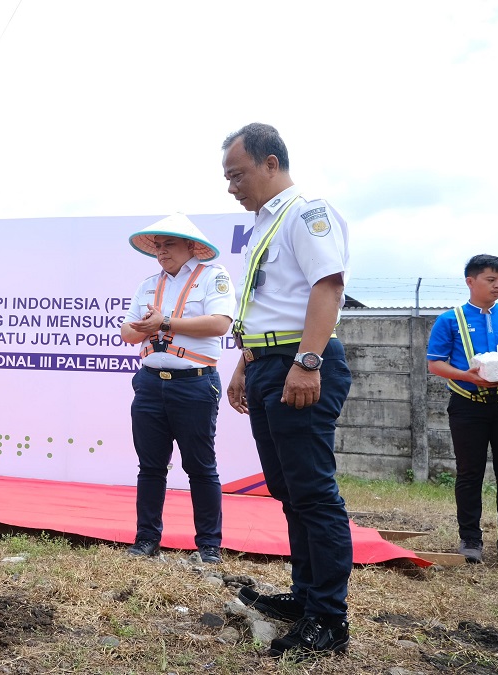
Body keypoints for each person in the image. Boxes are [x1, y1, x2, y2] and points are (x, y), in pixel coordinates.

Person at [221, 123, 354, 658]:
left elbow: (329, 284)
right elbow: (267, 305)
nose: (232, 186)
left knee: (315, 494)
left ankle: (329, 618)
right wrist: (244, 364)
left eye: (238, 174)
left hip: (300, 364)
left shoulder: (307, 212)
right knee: (289, 491)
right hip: (267, 363)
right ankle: (304, 595)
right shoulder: (264, 223)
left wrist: (307, 361)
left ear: (270, 163)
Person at [120, 213, 233, 564]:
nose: (161, 251)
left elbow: (219, 324)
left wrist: (164, 322)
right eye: (158, 245)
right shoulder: (148, 284)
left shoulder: (213, 277)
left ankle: (209, 546)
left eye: (169, 244)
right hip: (151, 384)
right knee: (150, 466)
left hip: (195, 384)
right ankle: (146, 540)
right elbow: (128, 333)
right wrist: (146, 326)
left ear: (191, 247)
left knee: (200, 466)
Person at [426, 255, 498, 567]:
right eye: (491, 280)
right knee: (470, 473)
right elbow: (435, 364)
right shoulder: (450, 319)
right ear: (470, 281)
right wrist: (468, 376)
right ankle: (470, 541)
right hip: (468, 406)